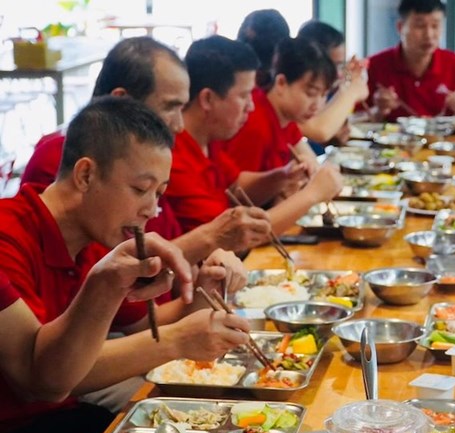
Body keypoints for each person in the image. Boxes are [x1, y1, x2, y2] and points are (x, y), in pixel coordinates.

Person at [0, 97, 250, 433]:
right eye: (141, 189)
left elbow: (142, 323)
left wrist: (205, 289)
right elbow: (43, 381)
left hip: (62, 424)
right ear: (85, 175)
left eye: (159, 194)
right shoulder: (9, 236)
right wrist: (178, 340)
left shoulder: (99, 231)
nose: (152, 209)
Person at [19, 37, 274, 264]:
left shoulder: (147, 165)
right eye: (170, 107)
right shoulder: (60, 159)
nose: (180, 124)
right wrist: (209, 238)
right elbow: (120, 285)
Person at [166, 35, 342, 233]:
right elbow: (230, 236)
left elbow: (235, 188)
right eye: (243, 95)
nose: (251, 105)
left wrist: (283, 176)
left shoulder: (207, 138)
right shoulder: (173, 157)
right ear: (207, 99)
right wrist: (312, 194)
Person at [221, 36, 337, 174]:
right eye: (311, 93)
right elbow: (240, 192)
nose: (317, 105)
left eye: (324, 95)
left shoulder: (287, 118)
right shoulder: (255, 124)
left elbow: (313, 168)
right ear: (281, 83)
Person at [367, 0, 455, 120]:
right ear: (400, 28)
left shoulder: (454, 64)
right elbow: (355, 118)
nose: (429, 34)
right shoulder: (376, 65)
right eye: (420, 26)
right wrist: (379, 110)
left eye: (435, 26)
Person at [296, 20, 370, 151]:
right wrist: (352, 89)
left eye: (340, 65)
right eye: (332, 65)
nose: (337, 73)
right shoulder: (295, 93)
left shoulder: (331, 90)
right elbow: (320, 131)